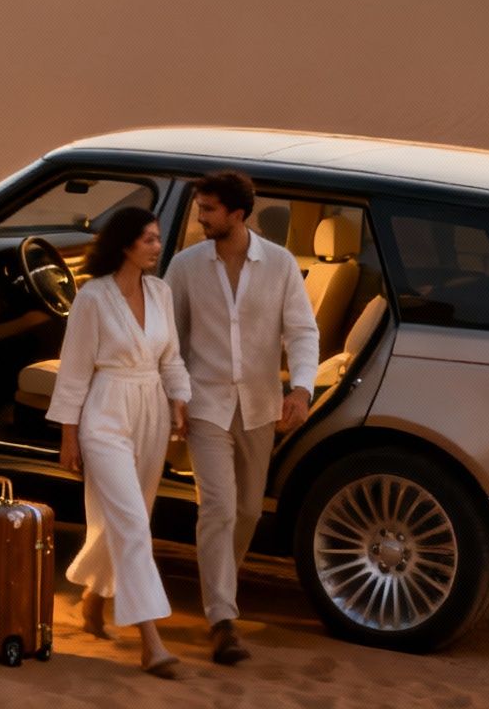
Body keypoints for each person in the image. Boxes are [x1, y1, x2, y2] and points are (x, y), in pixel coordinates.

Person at [166, 170, 319, 665]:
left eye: (208, 210)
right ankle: (222, 618)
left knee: (250, 510)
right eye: (199, 208)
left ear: (238, 214)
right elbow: (169, 338)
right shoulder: (186, 266)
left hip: (259, 405)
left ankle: (219, 589)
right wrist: (176, 396)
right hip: (205, 404)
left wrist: (301, 387)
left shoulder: (279, 264)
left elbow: (301, 331)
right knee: (219, 507)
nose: (199, 218)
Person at [46, 205, 191, 678]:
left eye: (156, 238)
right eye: (149, 239)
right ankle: (151, 642)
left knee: (127, 518)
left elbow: (170, 356)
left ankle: (92, 598)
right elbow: (73, 370)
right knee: (132, 523)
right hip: (105, 411)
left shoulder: (161, 292)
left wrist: (179, 400)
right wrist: (69, 435)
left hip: (150, 409)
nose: (156, 246)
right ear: (126, 244)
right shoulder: (93, 298)